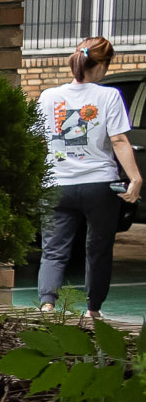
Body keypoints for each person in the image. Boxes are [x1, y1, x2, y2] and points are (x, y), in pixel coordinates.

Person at [35, 36, 139, 325]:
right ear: (102, 64)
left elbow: (35, 138)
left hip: (56, 183)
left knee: (53, 250)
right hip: (98, 185)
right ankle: (93, 309)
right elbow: (118, 140)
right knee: (98, 249)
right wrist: (135, 177)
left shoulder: (48, 96)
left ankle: (46, 306)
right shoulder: (109, 96)